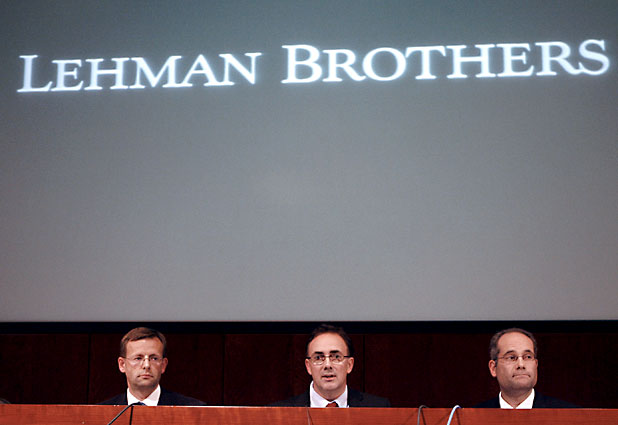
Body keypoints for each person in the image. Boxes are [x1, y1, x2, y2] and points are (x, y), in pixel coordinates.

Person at [271, 324, 390, 407]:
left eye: (336, 357)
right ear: (308, 366)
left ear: (349, 365)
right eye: (318, 358)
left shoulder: (378, 408)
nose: (327, 365)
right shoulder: (279, 413)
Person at [474, 327, 578, 408]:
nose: (521, 365)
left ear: (536, 364)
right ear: (493, 368)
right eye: (511, 357)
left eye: (528, 357)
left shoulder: (570, 416)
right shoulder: (473, 417)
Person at [99, 327, 205, 406]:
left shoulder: (194, 410)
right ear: (122, 364)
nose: (146, 365)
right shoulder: (100, 413)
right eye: (138, 358)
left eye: (154, 358)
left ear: (163, 365)